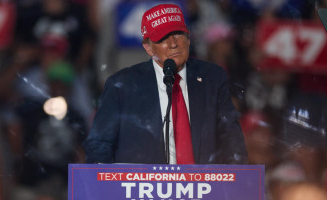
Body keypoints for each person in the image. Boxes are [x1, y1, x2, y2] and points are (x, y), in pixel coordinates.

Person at [83, 3, 247, 164]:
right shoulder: (121, 86)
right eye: (163, 38)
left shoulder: (213, 78)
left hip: (203, 188)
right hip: (141, 189)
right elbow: (99, 145)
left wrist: (231, 184)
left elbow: (231, 139)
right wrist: (108, 185)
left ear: (189, 39)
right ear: (148, 48)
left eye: (178, 34)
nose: (173, 43)